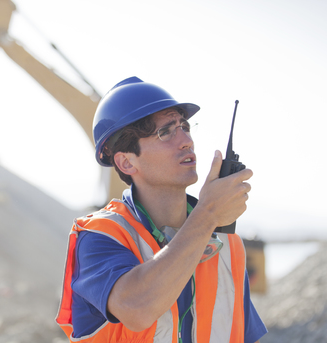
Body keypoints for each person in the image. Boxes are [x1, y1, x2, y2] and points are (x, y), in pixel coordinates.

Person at [56, 76, 267, 342]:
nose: (186, 140)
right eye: (165, 132)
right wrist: (208, 213)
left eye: (185, 126)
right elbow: (136, 308)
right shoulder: (100, 236)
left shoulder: (226, 241)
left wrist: (209, 218)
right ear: (126, 163)